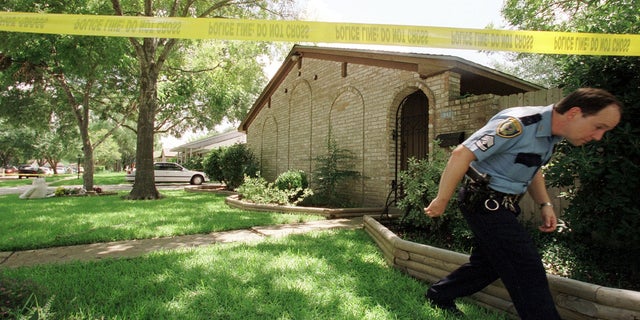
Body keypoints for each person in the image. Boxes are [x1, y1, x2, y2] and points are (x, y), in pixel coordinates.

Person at [423, 88, 623, 319]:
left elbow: (533, 168)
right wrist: (441, 200)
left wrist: (545, 204)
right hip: (484, 202)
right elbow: (461, 154)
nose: (598, 136)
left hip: (504, 205)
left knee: (488, 264)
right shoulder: (518, 123)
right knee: (526, 267)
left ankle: (439, 295)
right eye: (599, 127)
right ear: (574, 113)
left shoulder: (551, 136)